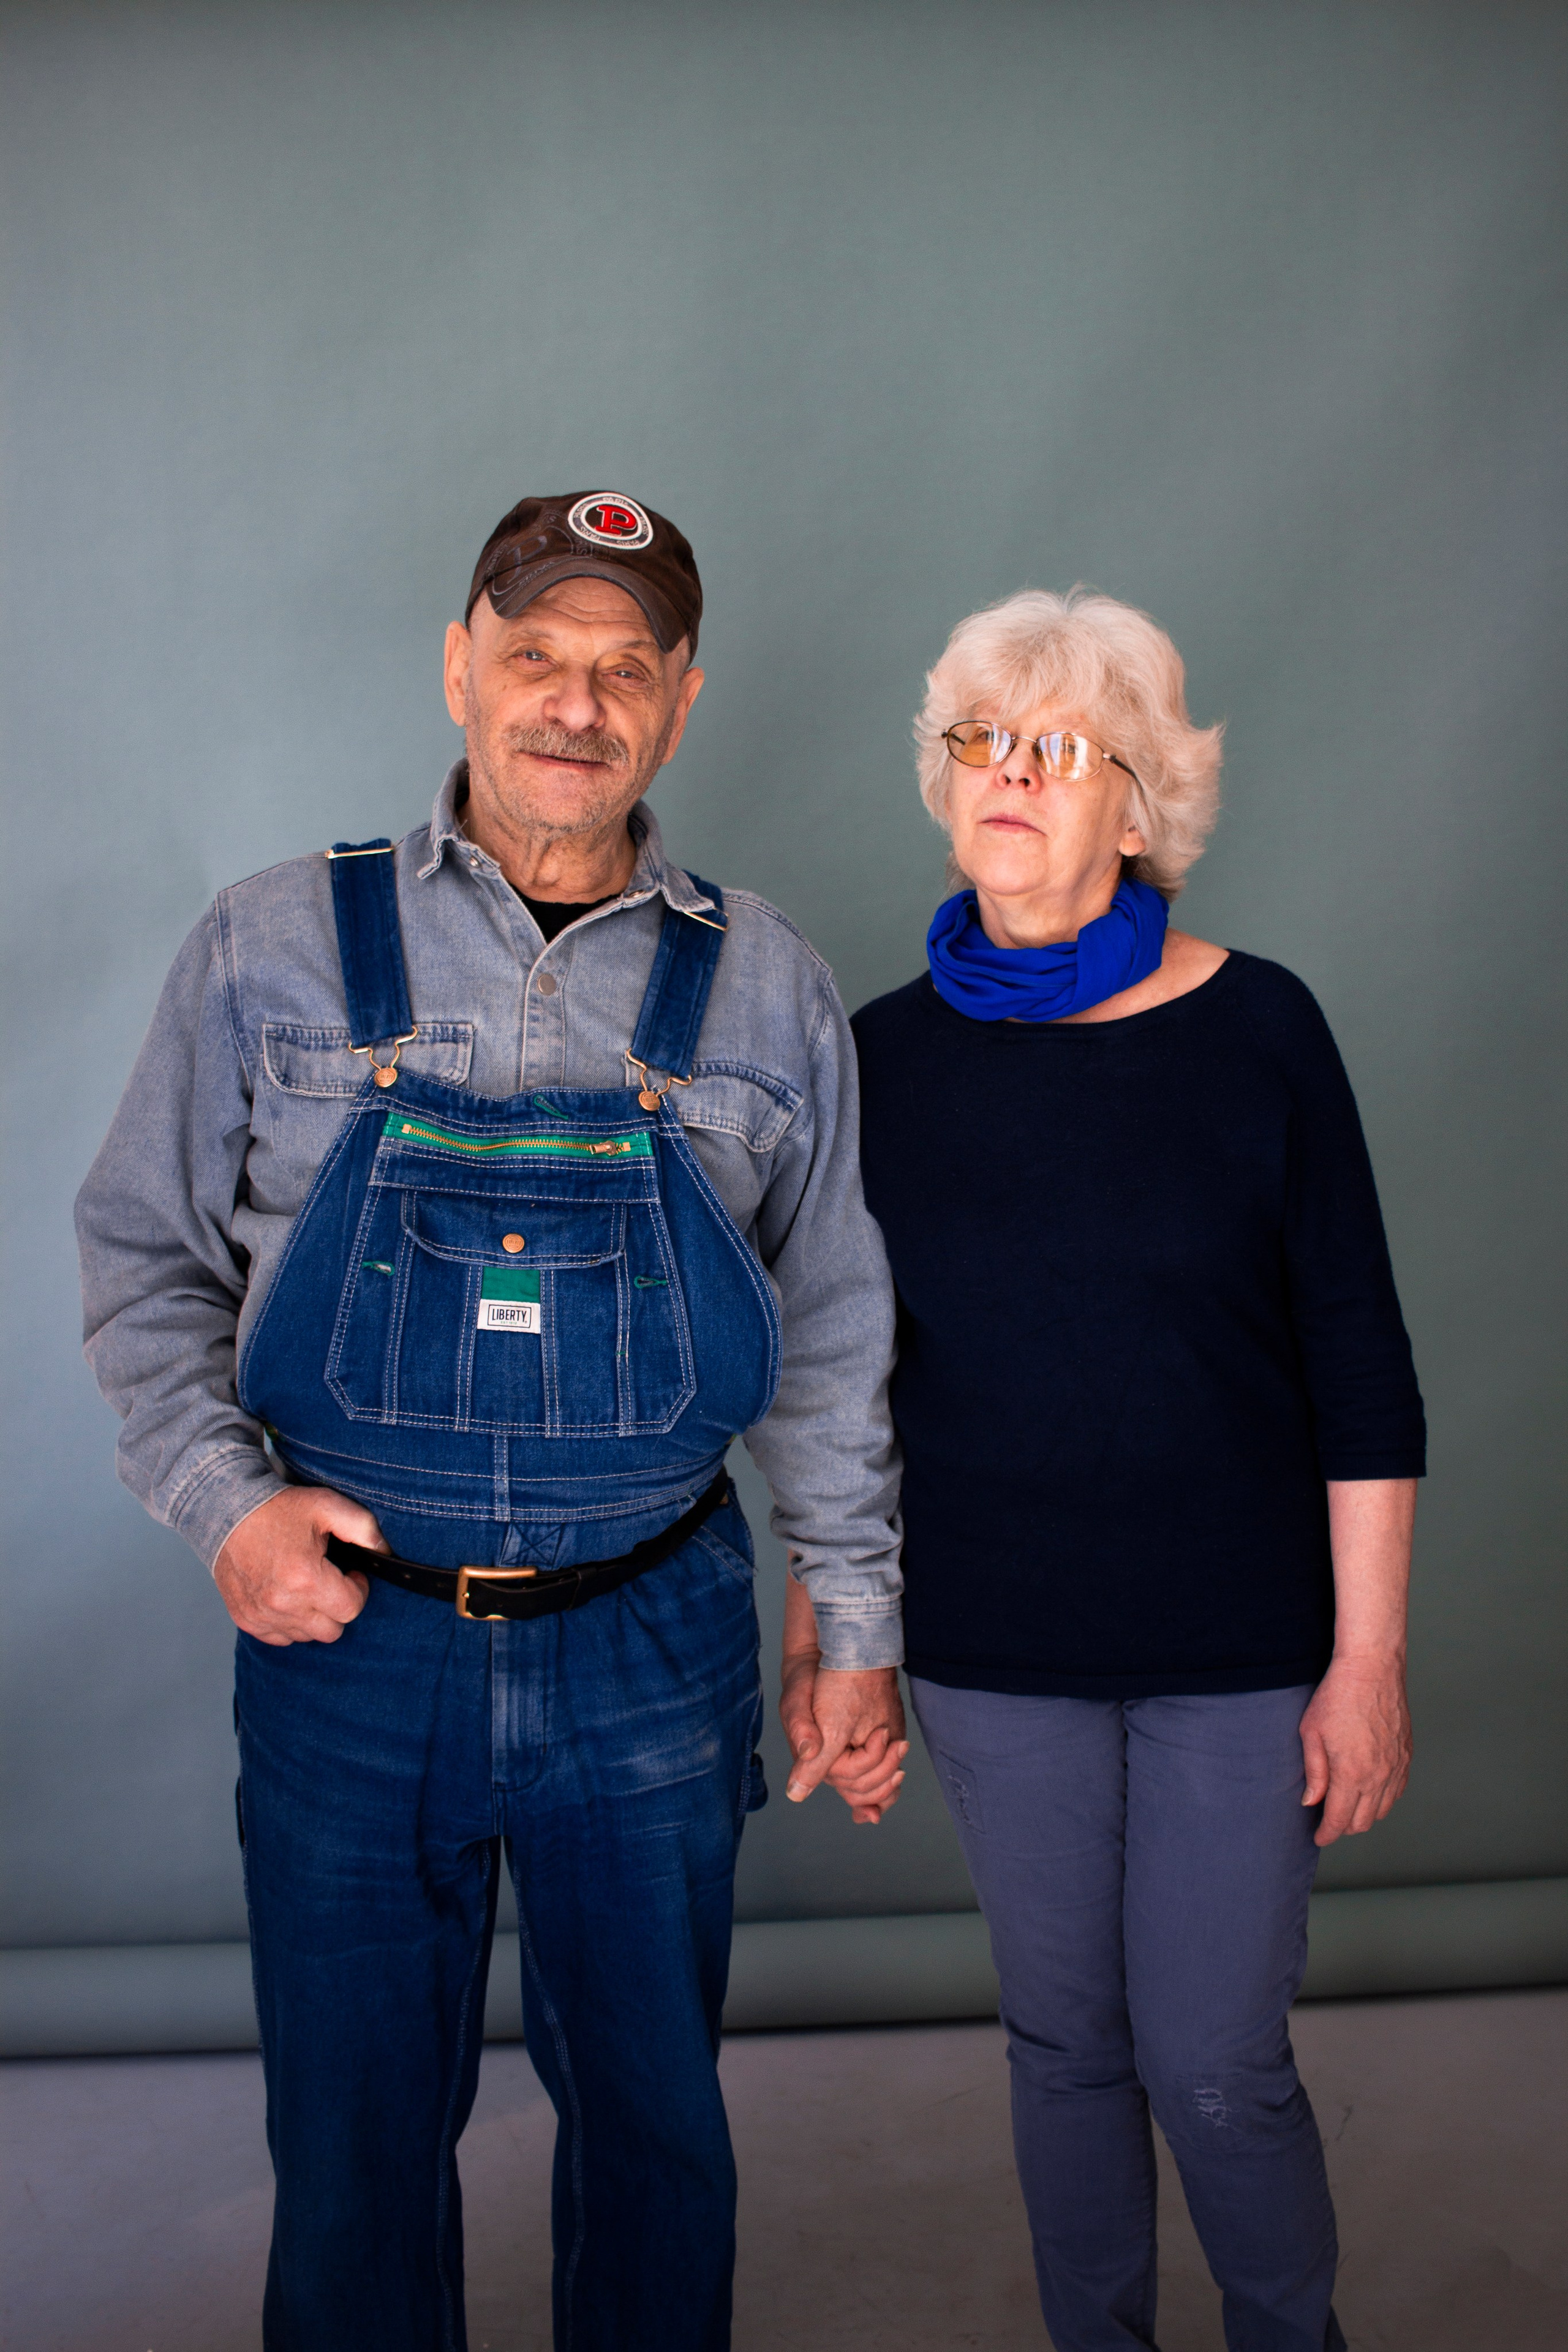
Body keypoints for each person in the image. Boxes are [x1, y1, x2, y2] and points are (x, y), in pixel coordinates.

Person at [75, 490, 908, 2352]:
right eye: (534, 653)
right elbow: (140, 1259)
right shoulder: (272, 943)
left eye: (625, 669)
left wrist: (852, 1621)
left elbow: (838, 1332)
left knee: (660, 2146)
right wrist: (228, 1510)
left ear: (682, 704)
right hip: (355, 1638)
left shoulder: (761, 981)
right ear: (460, 665)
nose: (574, 704)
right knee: (358, 2161)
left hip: (655, 1637)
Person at [838, 587, 1425, 2352]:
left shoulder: (1264, 1032)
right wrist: (837, 1633)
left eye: (1057, 750)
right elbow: (841, 1386)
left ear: (1138, 803)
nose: (1007, 777)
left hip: (1243, 1659)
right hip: (993, 1651)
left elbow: (1363, 1370)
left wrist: (1371, 1662)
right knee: (1065, 2047)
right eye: (979, 744)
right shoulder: (880, 1057)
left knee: (1217, 2060)